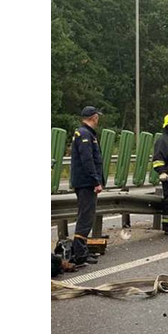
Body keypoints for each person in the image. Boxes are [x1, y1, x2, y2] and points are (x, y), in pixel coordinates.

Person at [68, 106, 104, 265]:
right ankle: (80, 255)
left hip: (84, 181)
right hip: (86, 183)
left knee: (86, 216)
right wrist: (95, 181)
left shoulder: (84, 133)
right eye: (98, 117)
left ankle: (81, 251)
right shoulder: (84, 134)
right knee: (86, 217)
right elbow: (87, 160)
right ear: (94, 117)